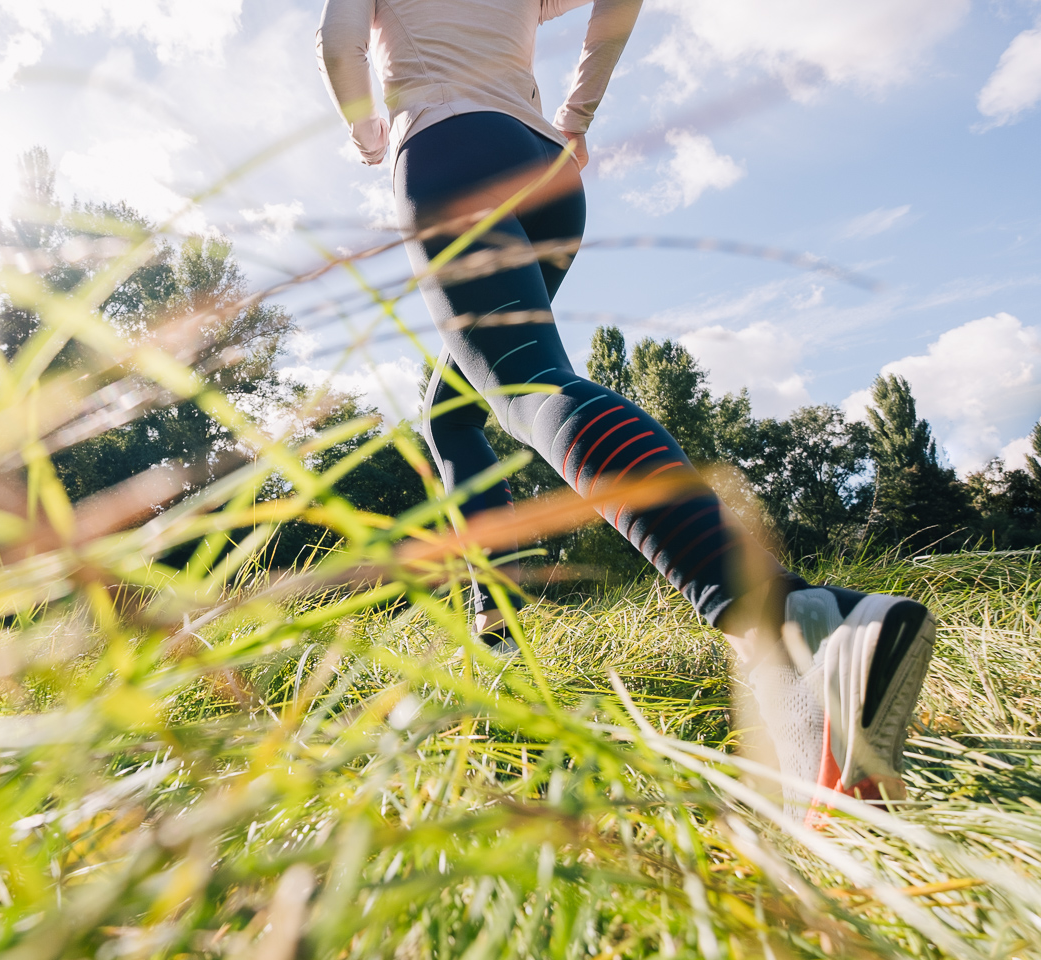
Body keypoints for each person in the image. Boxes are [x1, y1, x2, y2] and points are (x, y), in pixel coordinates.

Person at [316, 0, 936, 821]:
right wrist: (576, 116)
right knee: (456, 411)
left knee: (528, 386)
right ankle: (496, 631)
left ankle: (789, 620)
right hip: (546, 169)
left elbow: (338, 43)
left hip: (448, 148)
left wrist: (367, 133)